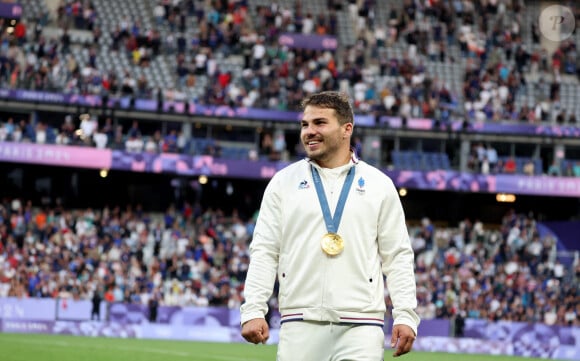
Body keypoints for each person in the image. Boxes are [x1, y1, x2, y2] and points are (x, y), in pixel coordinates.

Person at [240, 91, 420, 360]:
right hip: (300, 322)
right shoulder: (283, 182)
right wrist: (253, 309)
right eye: (305, 124)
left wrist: (406, 314)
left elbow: (397, 256)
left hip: (361, 326)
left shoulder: (378, 185)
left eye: (319, 123)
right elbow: (265, 251)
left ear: (347, 129)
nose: (309, 131)